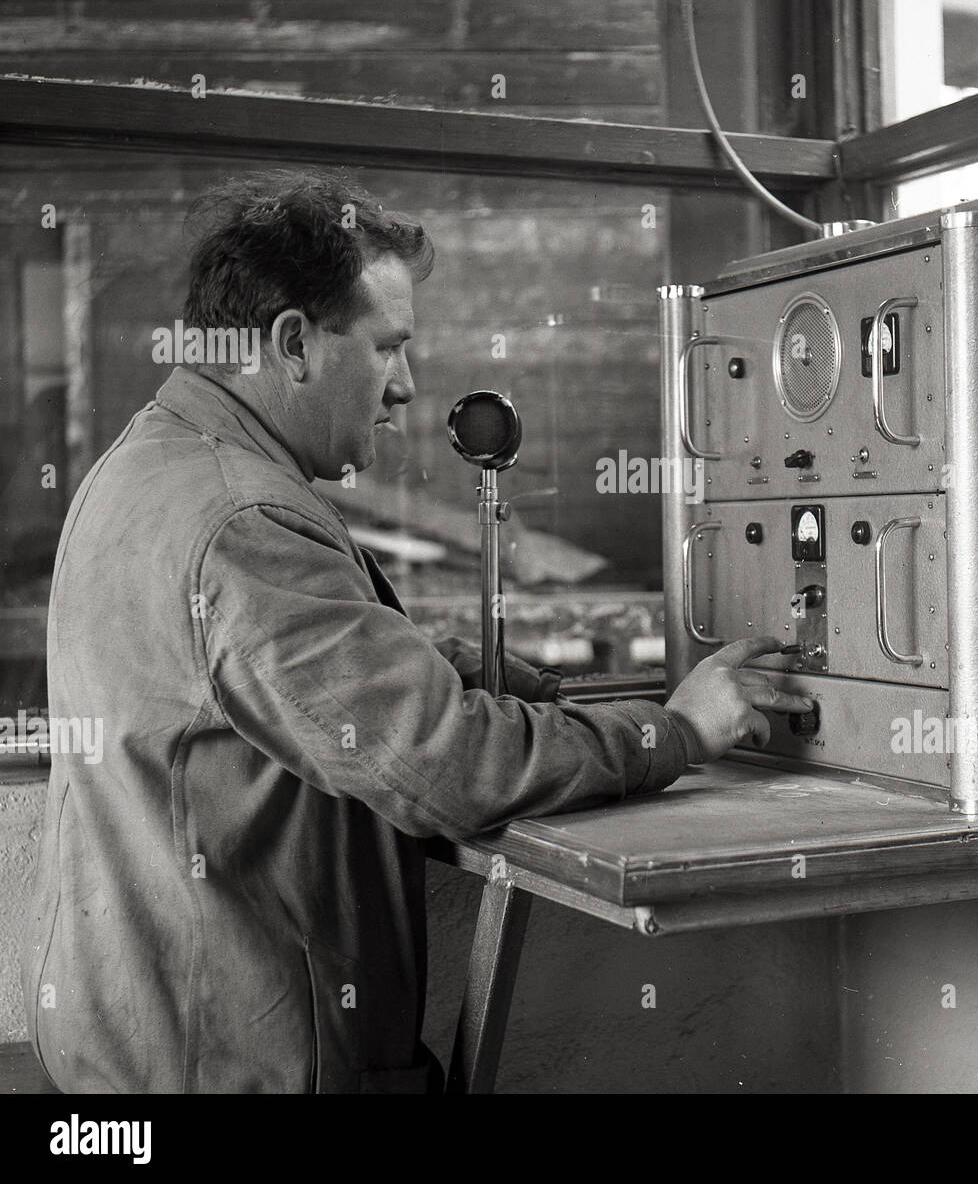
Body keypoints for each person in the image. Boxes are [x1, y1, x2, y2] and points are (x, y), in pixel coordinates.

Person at [21, 170, 809, 1094]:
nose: (407, 387)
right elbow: (448, 766)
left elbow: (246, 686)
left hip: (135, 1050)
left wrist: (440, 662)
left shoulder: (150, 465)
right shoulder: (245, 523)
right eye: (390, 347)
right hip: (235, 1068)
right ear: (292, 344)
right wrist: (677, 729)